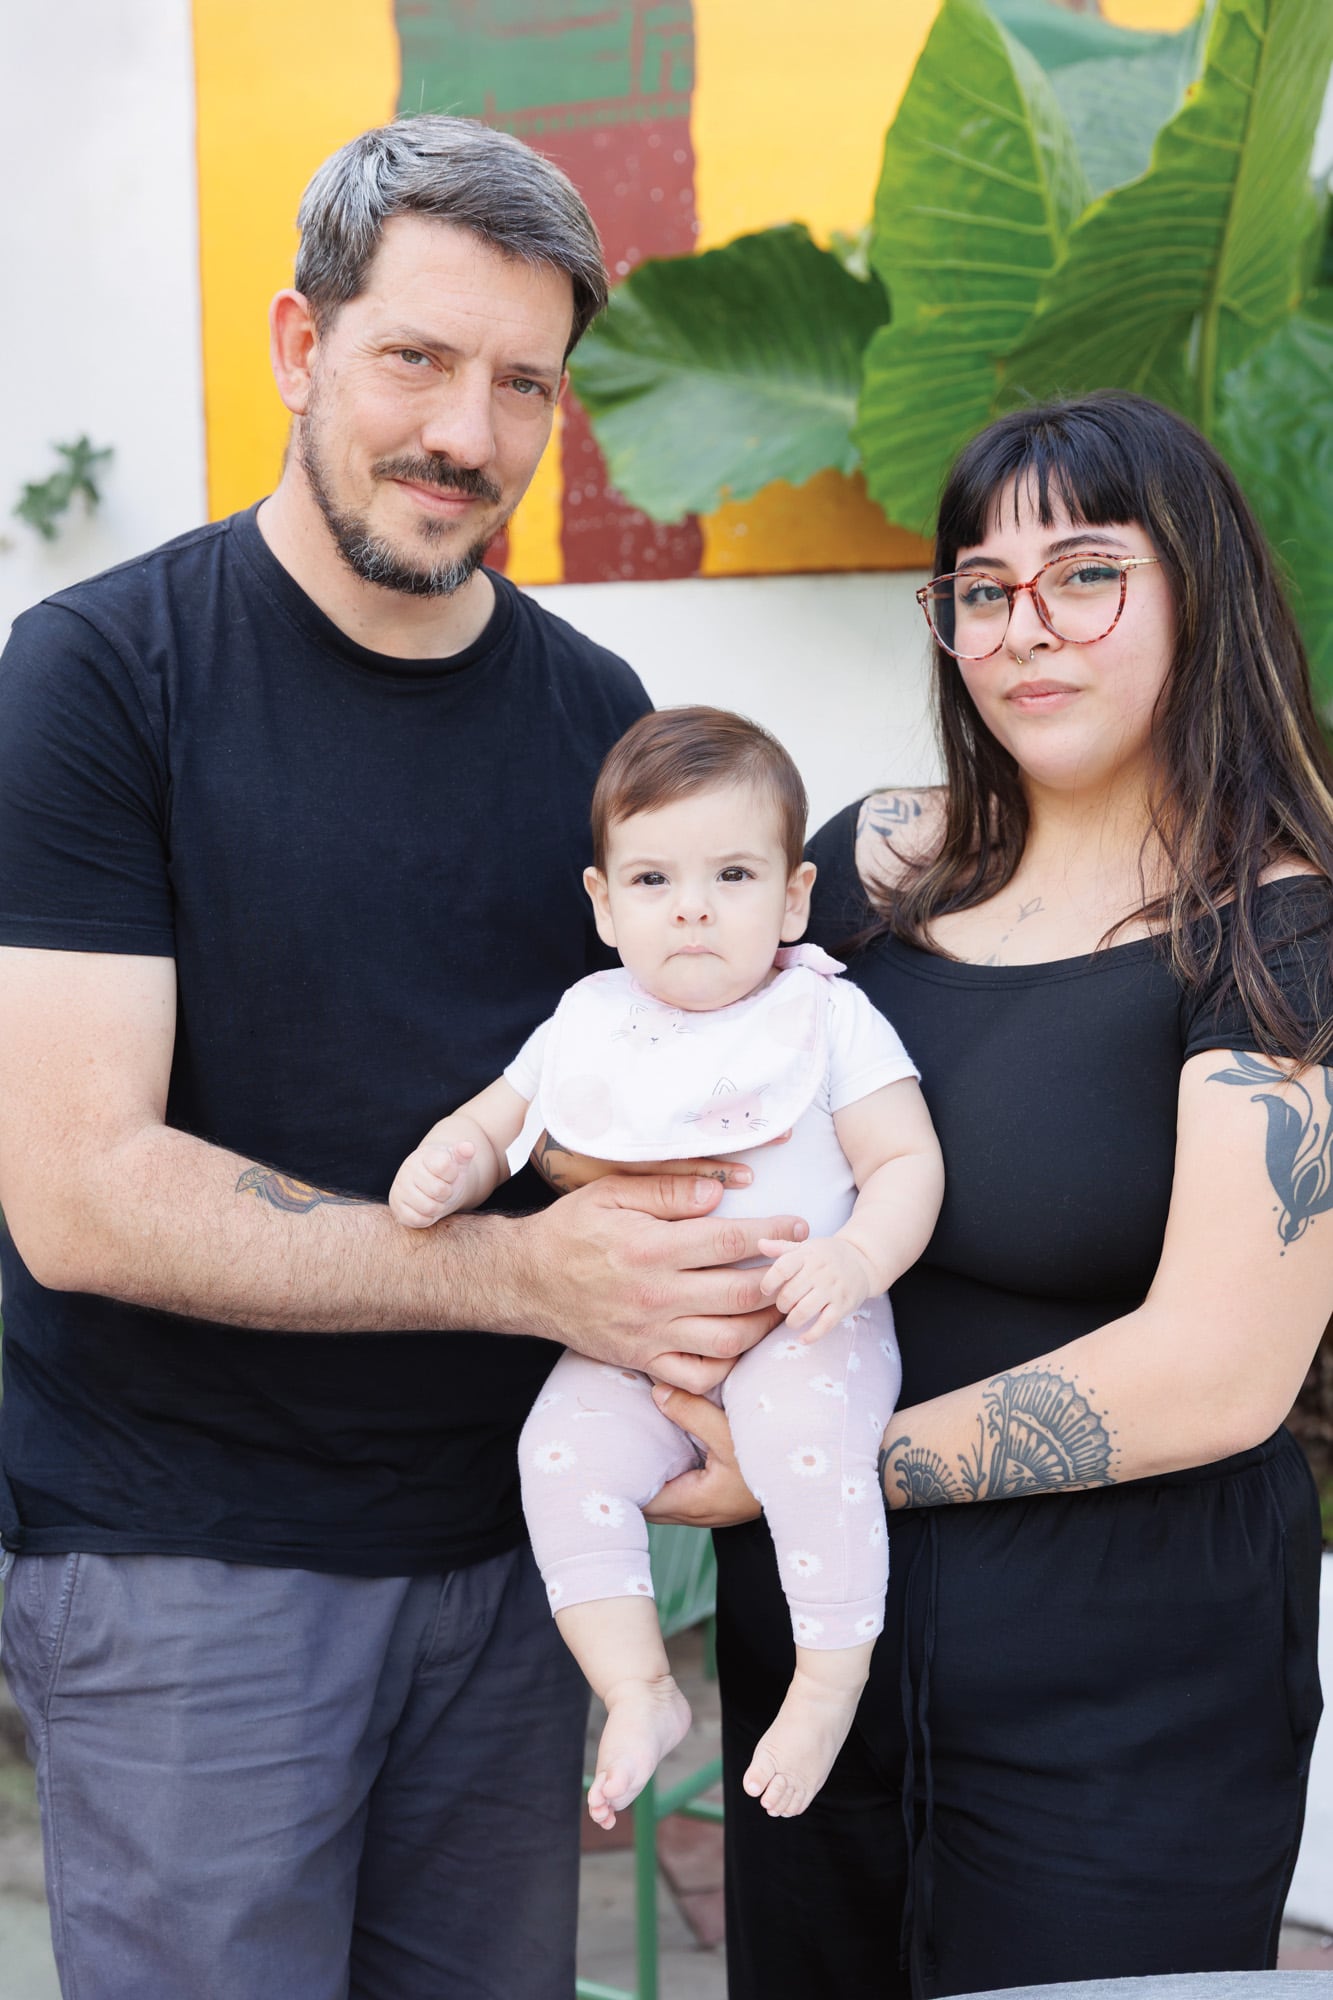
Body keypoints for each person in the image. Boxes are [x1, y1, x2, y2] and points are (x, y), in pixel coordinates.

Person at [0, 117, 807, 2000]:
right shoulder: (103, 680)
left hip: (512, 1564)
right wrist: (526, 1270)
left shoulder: (596, 723)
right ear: (300, 346)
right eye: (417, 361)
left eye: (522, 382)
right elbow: (79, 1196)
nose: (467, 432)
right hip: (186, 1568)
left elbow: (637, 1096)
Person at [634, 394, 1332, 1996]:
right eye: (981, 587)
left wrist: (814, 1466)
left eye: (1086, 573)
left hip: (1119, 1700)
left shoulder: (1275, 935)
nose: (1028, 629)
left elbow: (1218, 1371)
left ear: (1197, 592)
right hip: (816, 1657)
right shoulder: (866, 872)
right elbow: (665, 1093)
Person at [389, 706, 944, 1823]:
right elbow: (500, 1120)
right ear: (602, 904)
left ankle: (829, 1676)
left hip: (804, 1321)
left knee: (807, 1450)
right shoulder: (587, 1020)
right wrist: (448, 1162)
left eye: (731, 873)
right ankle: (637, 1685)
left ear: (792, 896)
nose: (690, 903)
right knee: (556, 1453)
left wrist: (855, 1256)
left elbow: (906, 1160)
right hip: (636, 1342)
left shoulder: (826, 1016)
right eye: (652, 880)